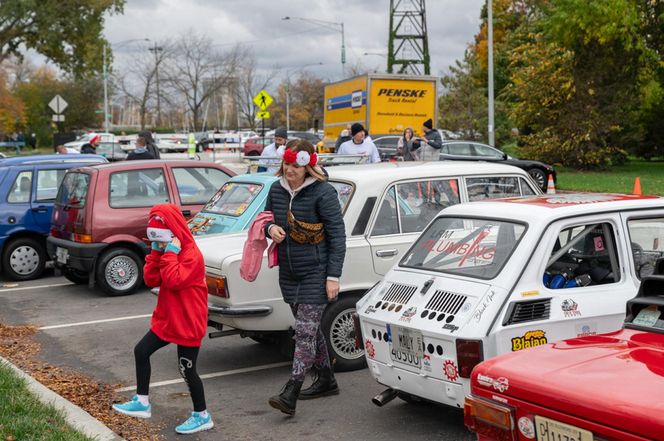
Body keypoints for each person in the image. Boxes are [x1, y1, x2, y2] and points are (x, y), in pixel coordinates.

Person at [112, 204, 213, 435]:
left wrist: (169, 253)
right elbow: (151, 279)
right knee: (141, 351)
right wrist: (157, 251)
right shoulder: (169, 250)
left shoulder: (191, 254)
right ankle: (142, 401)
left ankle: (202, 415)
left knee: (187, 370)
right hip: (168, 318)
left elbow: (175, 279)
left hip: (188, 320)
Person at [263, 139, 346, 416]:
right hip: (289, 271)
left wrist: (332, 276)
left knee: (304, 333)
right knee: (309, 330)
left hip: (316, 271)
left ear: (308, 166)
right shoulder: (276, 190)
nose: (290, 171)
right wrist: (270, 227)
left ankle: (291, 391)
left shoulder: (324, 192)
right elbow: (263, 218)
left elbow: (337, 236)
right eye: (286, 165)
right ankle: (326, 380)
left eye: (295, 167)